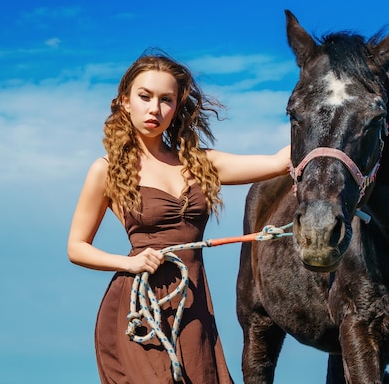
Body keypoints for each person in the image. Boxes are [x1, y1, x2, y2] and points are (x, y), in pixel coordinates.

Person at [67, 51, 290, 384]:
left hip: (194, 303)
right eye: (145, 97)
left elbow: (277, 162)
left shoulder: (202, 164)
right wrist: (128, 263)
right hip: (140, 305)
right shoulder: (106, 171)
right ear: (125, 102)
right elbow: (76, 247)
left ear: (176, 107)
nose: (154, 109)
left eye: (166, 100)